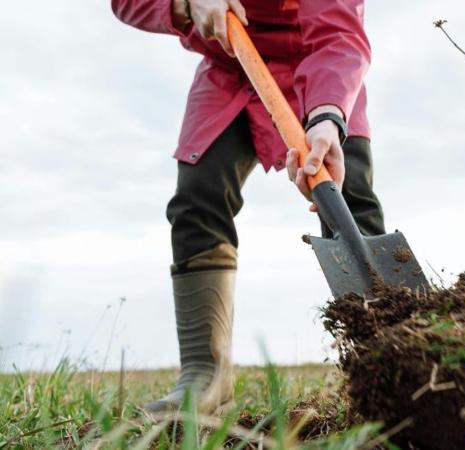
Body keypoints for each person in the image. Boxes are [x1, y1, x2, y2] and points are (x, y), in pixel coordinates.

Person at [111, 0, 384, 416]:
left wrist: (328, 115)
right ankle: (206, 380)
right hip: (229, 67)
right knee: (197, 199)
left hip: (317, 69)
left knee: (350, 203)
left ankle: (384, 365)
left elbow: (337, 32)